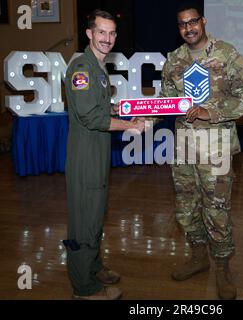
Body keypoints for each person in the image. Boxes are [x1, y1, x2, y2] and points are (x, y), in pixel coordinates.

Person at [160, 3, 243, 300]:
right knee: (187, 207)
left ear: (202, 22)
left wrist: (209, 112)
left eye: (193, 22)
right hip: (184, 149)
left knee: (217, 210)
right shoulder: (174, 60)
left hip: (217, 148)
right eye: (182, 24)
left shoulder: (227, 54)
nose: (188, 28)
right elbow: (166, 100)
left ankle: (223, 268)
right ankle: (199, 257)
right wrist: (136, 114)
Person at [64, 9, 145, 300]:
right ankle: (83, 289)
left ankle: (93, 268)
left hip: (97, 154)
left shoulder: (98, 67)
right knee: (85, 221)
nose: (107, 38)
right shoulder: (83, 69)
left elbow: (99, 109)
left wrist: (119, 109)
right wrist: (130, 125)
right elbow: (90, 118)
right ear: (89, 33)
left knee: (95, 216)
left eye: (111, 33)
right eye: (101, 32)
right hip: (86, 157)